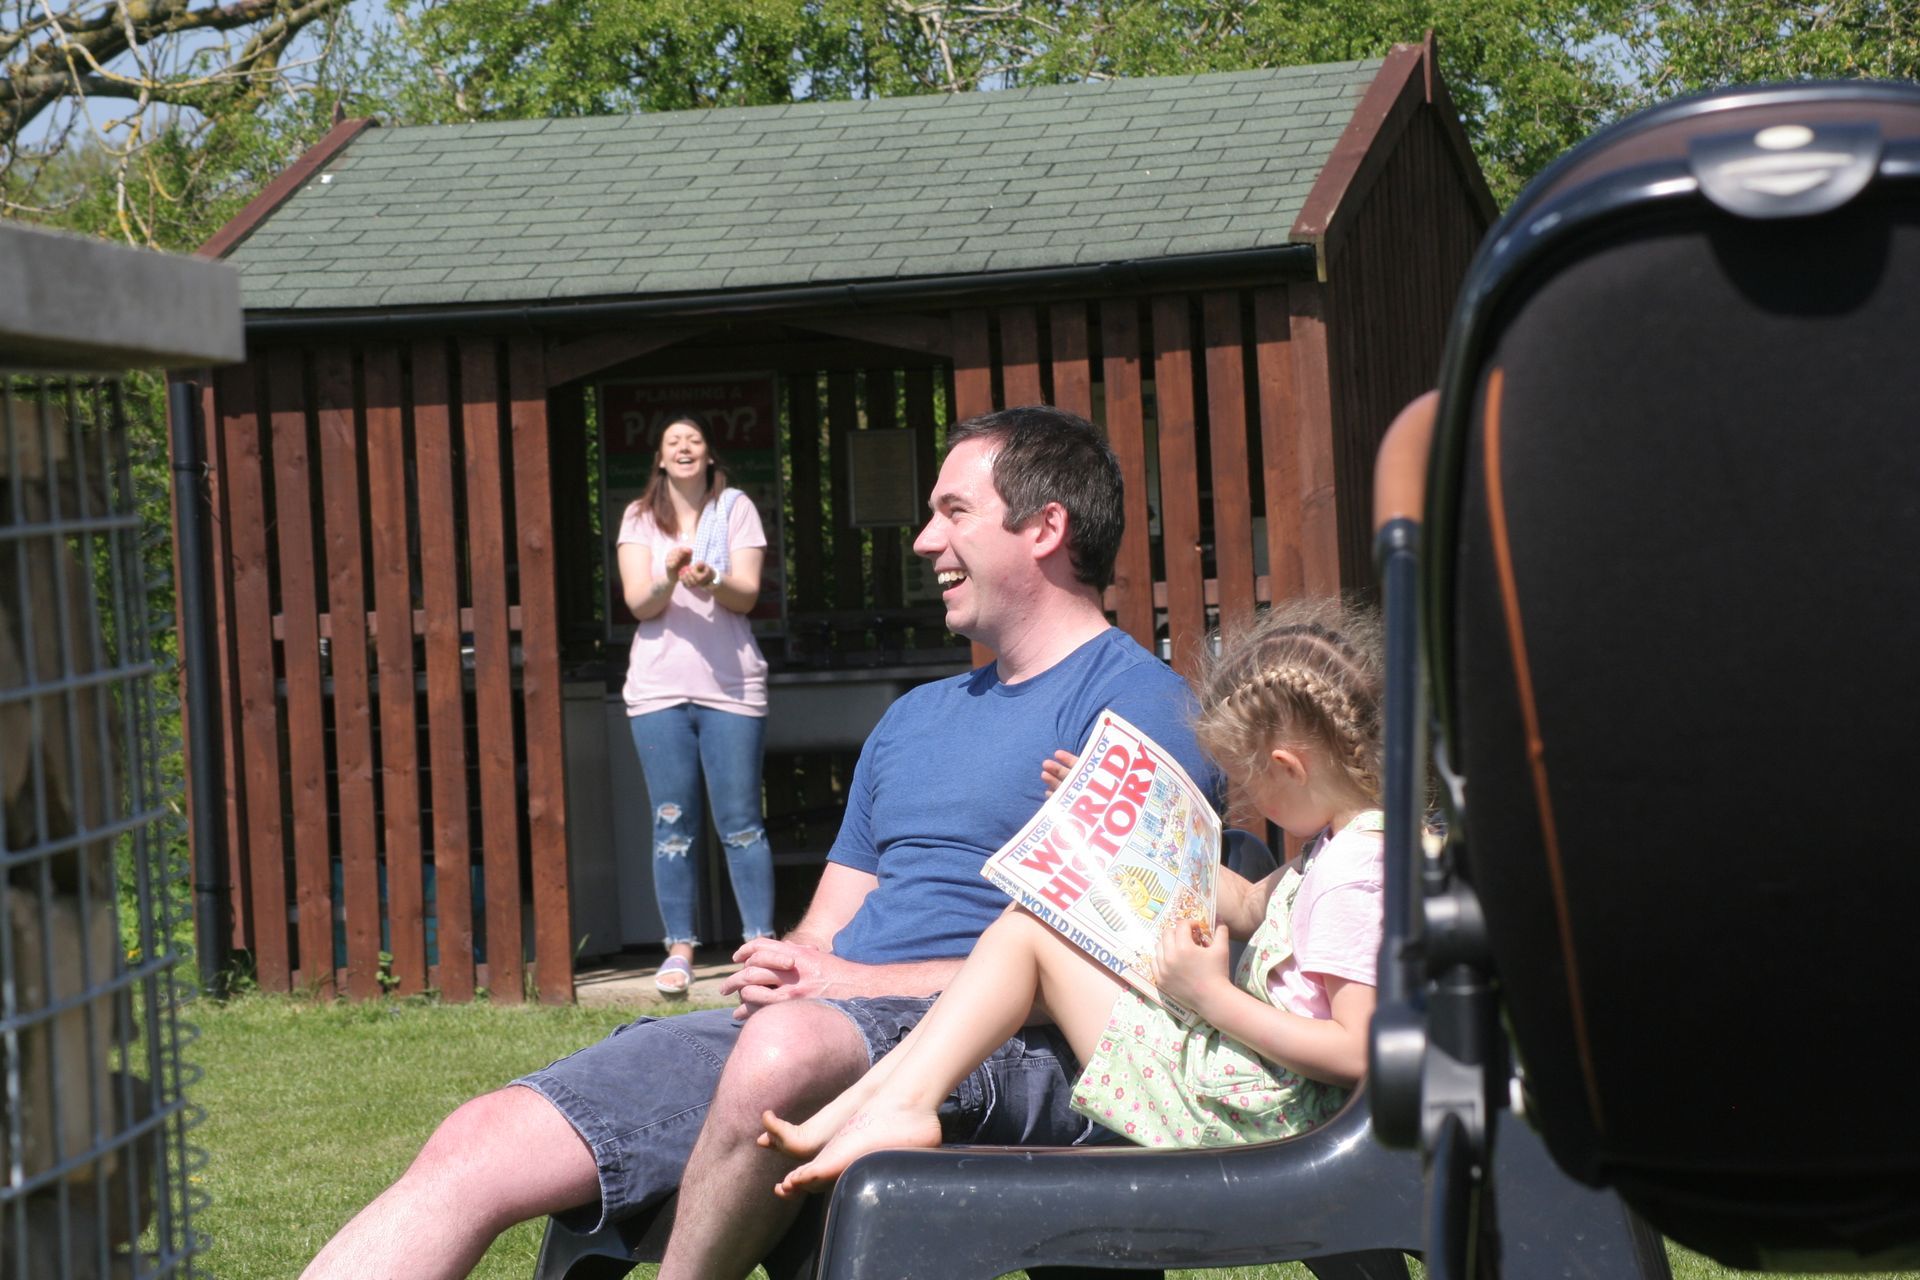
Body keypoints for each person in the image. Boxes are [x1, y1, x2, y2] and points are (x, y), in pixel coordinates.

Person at [299, 405, 1219, 1280]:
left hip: (998, 1052)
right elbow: (827, 931)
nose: (923, 541)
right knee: (482, 1139)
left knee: (783, 1050)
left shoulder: (1138, 711)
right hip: (816, 1028)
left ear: (1045, 528)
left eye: (954, 512)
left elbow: (1121, 972)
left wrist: (840, 989)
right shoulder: (915, 721)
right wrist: (793, 965)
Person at [760, 598, 1385, 1192]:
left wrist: (1212, 997)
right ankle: (878, 1102)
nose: (1250, 796)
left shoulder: (1352, 873)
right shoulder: (1342, 848)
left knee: (1028, 928)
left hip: (1255, 1113)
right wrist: (1115, 831)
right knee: (1032, 918)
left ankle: (893, 1104)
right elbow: (1249, 905)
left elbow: (1358, 1050)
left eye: (1249, 776)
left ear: (1289, 767)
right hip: (1249, 1092)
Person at [616, 412, 774, 994]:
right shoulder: (639, 517)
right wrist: (668, 577)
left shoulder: (735, 508)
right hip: (657, 691)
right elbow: (640, 603)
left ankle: (760, 947)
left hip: (731, 688)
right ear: (660, 459)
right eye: (673, 441)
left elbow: (747, 595)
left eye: (694, 440)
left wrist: (711, 581)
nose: (684, 448)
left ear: (708, 454)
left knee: (742, 826)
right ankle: (679, 950)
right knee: (672, 824)